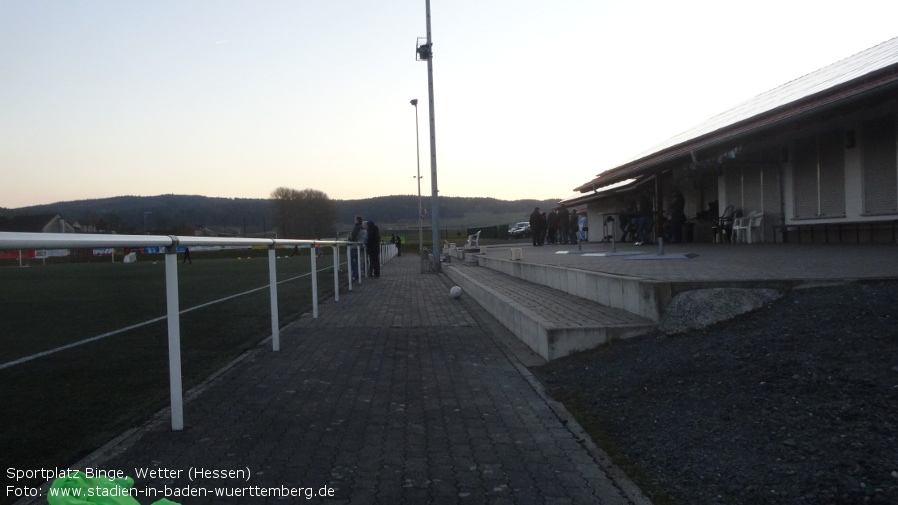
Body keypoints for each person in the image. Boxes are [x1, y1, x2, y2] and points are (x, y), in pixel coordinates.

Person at [349, 215, 365, 280]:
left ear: (357, 220)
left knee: (352, 260)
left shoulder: (357, 227)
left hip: (355, 246)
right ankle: (357, 274)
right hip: (361, 246)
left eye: (355, 220)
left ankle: (355, 274)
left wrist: (349, 239)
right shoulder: (363, 228)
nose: (354, 221)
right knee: (357, 261)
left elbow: (353, 237)